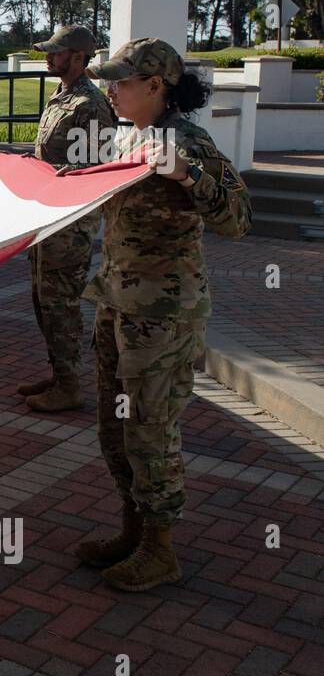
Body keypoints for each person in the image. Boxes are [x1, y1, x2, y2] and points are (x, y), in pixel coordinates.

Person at [79, 37, 251, 592]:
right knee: (114, 429)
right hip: (117, 304)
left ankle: (160, 549)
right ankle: (133, 530)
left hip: (164, 315)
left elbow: (239, 218)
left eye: (121, 81)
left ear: (155, 85)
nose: (111, 90)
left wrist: (187, 175)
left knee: (150, 430)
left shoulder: (190, 142)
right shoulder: (127, 135)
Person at [21, 26, 118, 413]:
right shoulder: (61, 96)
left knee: (60, 302)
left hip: (70, 223)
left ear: (78, 57)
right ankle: (60, 373)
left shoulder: (91, 104)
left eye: (55, 52)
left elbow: (98, 167)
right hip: (47, 215)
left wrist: (59, 175)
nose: (48, 57)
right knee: (42, 299)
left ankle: (69, 385)